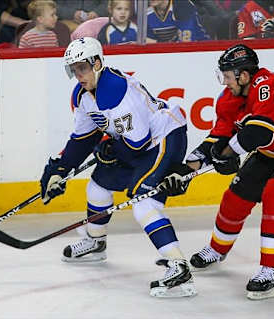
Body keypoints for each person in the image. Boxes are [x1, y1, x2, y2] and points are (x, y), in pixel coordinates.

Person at [159, 44, 274, 300]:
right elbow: (219, 138)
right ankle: (217, 249)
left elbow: (258, 133)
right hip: (272, 150)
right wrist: (187, 168)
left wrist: (227, 154)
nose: (224, 81)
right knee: (236, 195)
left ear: (243, 75)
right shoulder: (228, 99)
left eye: (227, 75)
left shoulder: (268, 86)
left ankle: (273, 270)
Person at [39, 37, 197, 298]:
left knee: (144, 202)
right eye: (74, 69)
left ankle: (179, 268)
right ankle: (95, 243)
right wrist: (58, 169)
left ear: (97, 63)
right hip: (135, 143)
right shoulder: (83, 94)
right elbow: (82, 139)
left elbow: (138, 145)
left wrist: (111, 149)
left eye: (83, 68)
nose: (78, 75)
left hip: (164, 137)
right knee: (98, 187)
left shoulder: (117, 91)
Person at [147, 0, 211, 43]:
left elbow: (186, 42)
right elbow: (150, 41)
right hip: (170, 52)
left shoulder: (182, 5)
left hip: (200, 47)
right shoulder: (146, 12)